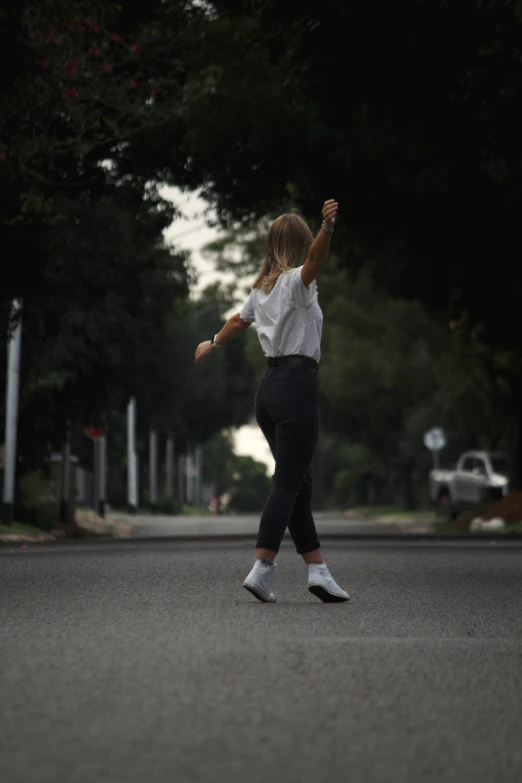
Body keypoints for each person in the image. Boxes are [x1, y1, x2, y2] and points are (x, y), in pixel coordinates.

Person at [194, 199, 349, 604]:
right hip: (297, 386)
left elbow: (237, 322)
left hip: (269, 391)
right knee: (288, 482)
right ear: (300, 244)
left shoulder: (261, 289)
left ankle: (318, 570)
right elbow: (317, 259)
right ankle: (263, 566)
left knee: (299, 482)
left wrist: (212, 342)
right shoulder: (298, 283)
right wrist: (327, 229)